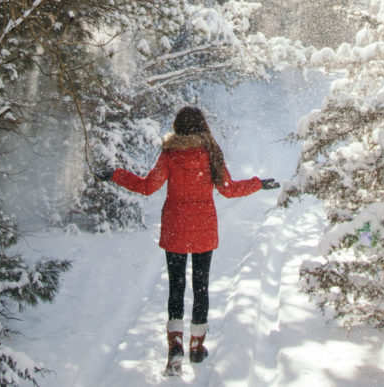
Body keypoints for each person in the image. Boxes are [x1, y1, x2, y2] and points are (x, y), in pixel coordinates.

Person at [97, 106, 280, 375]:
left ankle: (175, 347)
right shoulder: (210, 152)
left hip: (175, 230)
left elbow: (147, 186)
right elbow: (228, 189)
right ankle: (196, 346)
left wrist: (116, 174)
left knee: (176, 288)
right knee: (201, 287)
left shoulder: (170, 154)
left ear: (178, 127)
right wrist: (258, 184)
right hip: (203, 229)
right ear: (202, 125)